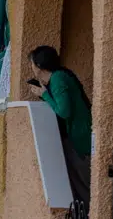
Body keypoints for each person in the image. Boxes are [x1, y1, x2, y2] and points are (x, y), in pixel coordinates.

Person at [26, 45, 92, 207]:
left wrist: (44, 95)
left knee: (84, 184)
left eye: (32, 64)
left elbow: (63, 111)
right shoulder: (59, 77)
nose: (32, 68)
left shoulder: (58, 79)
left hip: (78, 140)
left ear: (39, 66)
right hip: (76, 138)